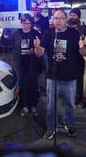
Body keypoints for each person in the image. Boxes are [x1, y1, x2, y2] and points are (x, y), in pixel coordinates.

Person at [34, 9, 80, 140]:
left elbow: (81, 53)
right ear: (52, 20)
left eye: (60, 18)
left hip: (70, 76)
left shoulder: (74, 34)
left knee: (70, 104)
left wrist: (83, 48)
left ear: (66, 19)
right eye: (55, 18)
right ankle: (51, 127)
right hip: (52, 76)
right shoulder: (48, 34)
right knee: (51, 105)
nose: (58, 21)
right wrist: (37, 46)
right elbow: (39, 53)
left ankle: (70, 125)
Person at [11, 14, 42, 116]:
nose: (27, 25)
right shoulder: (17, 33)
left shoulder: (35, 33)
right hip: (20, 63)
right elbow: (7, 42)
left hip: (33, 63)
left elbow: (41, 46)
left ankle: (33, 106)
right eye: (25, 23)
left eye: (29, 23)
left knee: (33, 85)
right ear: (21, 23)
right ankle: (24, 106)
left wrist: (35, 49)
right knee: (23, 85)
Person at [67, 8, 86, 108]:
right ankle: (70, 97)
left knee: (79, 79)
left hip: (79, 58)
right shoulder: (66, 27)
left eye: (74, 15)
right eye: (71, 15)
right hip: (68, 57)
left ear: (78, 17)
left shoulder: (84, 29)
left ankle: (78, 97)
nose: (72, 17)